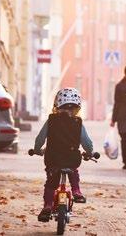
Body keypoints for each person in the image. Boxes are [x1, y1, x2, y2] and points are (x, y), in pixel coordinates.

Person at [34, 88, 94, 222]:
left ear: (57, 105)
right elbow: (87, 142)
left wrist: (37, 149)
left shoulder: (51, 120)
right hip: (72, 159)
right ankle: (76, 191)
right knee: (73, 170)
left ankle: (48, 206)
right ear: (77, 107)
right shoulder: (78, 123)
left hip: (53, 159)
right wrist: (89, 153)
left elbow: (40, 139)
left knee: (50, 184)